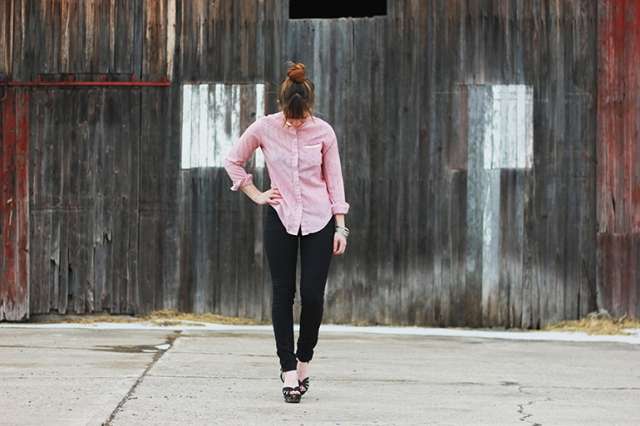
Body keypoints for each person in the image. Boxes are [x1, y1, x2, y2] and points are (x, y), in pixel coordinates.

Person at [223, 61, 350, 403]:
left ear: (309, 106)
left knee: (312, 295)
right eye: (290, 119)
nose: (295, 123)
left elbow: (334, 180)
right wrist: (256, 194)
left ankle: (304, 359)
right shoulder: (264, 127)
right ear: (281, 106)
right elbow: (233, 161)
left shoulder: (324, 132)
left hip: (319, 220)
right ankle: (288, 370)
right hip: (280, 218)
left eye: (300, 118)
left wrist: (340, 226)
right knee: (283, 294)